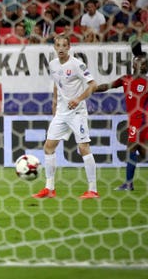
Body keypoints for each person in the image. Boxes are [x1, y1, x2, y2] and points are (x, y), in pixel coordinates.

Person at [33, 35, 99, 199]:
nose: (61, 48)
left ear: (69, 47)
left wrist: (78, 99)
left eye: (64, 45)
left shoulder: (77, 65)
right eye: (58, 45)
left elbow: (93, 85)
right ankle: (49, 189)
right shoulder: (53, 64)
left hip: (77, 112)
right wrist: (54, 104)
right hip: (61, 112)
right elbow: (57, 83)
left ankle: (93, 190)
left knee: (83, 148)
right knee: (48, 147)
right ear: (54, 47)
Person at [95, 43, 147, 191]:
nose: (135, 63)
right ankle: (128, 183)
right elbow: (108, 86)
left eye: (140, 62)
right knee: (143, 151)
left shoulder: (146, 83)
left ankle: (128, 183)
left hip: (141, 121)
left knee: (131, 148)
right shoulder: (125, 79)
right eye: (135, 60)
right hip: (134, 121)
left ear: (145, 67)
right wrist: (93, 89)